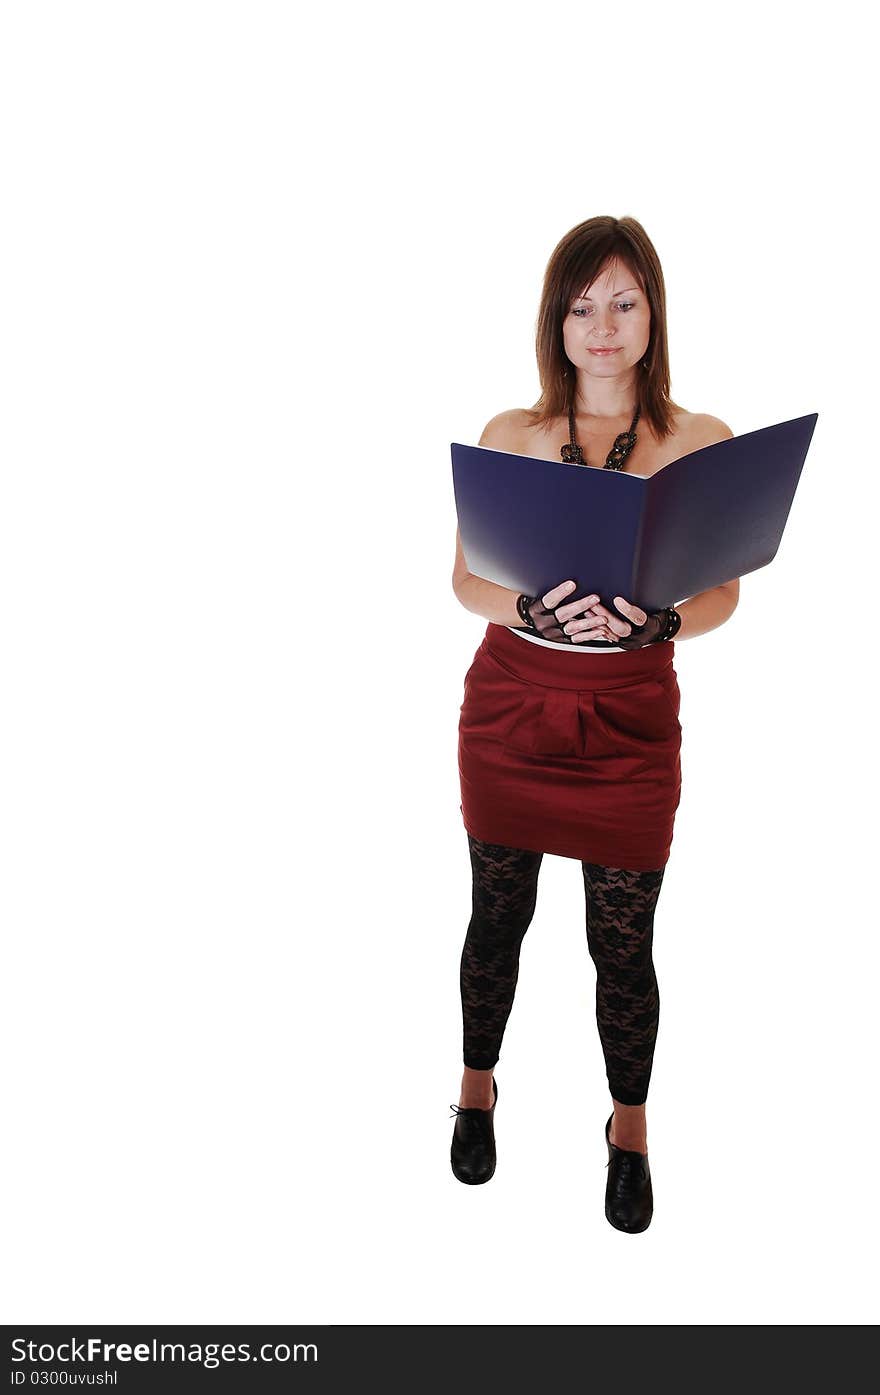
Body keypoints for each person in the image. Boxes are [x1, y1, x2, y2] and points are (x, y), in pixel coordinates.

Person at [449, 214, 740, 1232]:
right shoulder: (511, 433)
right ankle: (476, 1089)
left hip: (629, 723)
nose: (602, 325)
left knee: (623, 948)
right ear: (555, 322)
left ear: (653, 311)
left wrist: (660, 618)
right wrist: (528, 609)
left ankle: (628, 1132)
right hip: (511, 711)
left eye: (623, 300)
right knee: (498, 918)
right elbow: (464, 581)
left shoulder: (697, 442)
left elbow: (721, 600)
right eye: (582, 306)